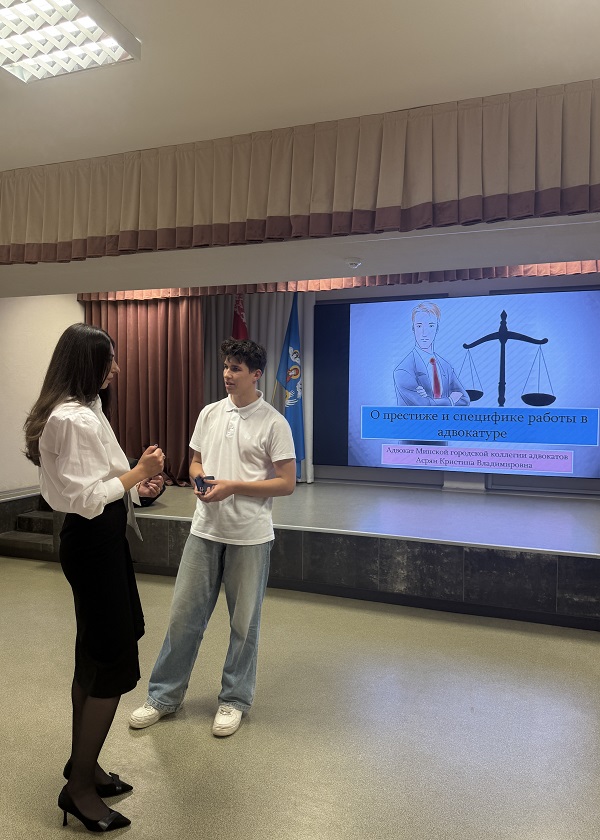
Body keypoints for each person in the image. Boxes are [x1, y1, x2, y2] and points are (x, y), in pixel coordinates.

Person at [24, 323, 165, 833]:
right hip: (92, 542)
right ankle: (79, 788)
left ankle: (83, 765)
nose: (117, 369)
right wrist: (137, 472)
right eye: (109, 361)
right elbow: (84, 499)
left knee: (94, 654)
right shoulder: (73, 418)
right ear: (87, 365)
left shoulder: (85, 408)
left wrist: (133, 485)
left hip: (101, 540)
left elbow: (96, 482)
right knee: (111, 662)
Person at [129, 337, 296, 737]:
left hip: (250, 537)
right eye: (225, 367)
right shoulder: (209, 413)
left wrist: (233, 487)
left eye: (236, 368)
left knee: (244, 625)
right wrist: (199, 480)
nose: (227, 374)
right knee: (183, 618)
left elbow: (286, 482)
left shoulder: (274, 422)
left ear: (256, 375)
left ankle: (234, 700)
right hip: (204, 531)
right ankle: (163, 697)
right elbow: (195, 462)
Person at [393, 301, 470, 407]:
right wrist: (451, 400)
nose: (424, 333)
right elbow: (424, 406)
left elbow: (465, 400)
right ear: (413, 328)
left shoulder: (445, 366)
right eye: (419, 326)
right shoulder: (403, 370)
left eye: (431, 326)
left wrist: (430, 401)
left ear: (437, 328)